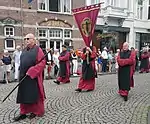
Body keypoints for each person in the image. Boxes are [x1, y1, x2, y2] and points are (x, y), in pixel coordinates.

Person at [13, 33, 46, 121]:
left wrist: (33, 70)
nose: (26, 40)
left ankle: (35, 111)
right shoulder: (24, 50)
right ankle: (23, 112)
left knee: (34, 94)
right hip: (23, 76)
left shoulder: (38, 50)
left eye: (28, 38)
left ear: (33, 40)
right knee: (23, 94)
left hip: (33, 77)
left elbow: (42, 63)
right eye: (25, 39)